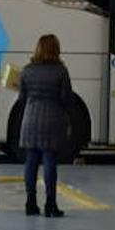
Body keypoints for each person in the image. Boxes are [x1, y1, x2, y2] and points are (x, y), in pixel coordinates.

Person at [16, 33, 74, 217]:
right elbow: (66, 98)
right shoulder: (60, 71)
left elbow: (21, 98)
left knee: (31, 161)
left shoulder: (27, 70)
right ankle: (50, 204)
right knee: (49, 161)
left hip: (30, 120)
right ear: (56, 50)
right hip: (52, 120)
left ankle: (30, 203)